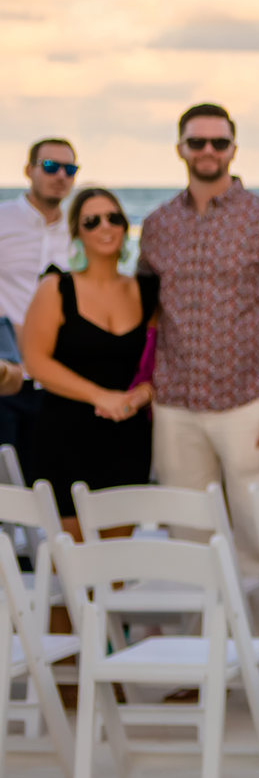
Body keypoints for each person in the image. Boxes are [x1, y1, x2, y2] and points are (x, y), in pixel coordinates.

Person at [136, 104, 259, 575]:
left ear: (234, 149)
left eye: (219, 142)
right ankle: (206, 649)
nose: (208, 151)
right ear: (180, 148)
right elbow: (146, 312)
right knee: (191, 547)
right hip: (176, 405)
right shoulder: (157, 225)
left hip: (250, 405)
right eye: (197, 142)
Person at [17, 186, 157, 536]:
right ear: (77, 232)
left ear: (126, 226)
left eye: (114, 217)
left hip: (128, 436)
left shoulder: (147, 292)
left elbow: (160, 362)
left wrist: (143, 395)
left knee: (116, 568)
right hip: (65, 436)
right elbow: (35, 361)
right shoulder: (56, 288)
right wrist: (100, 396)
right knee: (70, 568)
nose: (105, 227)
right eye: (92, 221)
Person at [0, 138, 79, 454]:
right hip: (7, 375)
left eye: (69, 168)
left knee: (46, 483)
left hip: (58, 380)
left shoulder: (81, 231)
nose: (60, 175)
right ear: (28, 170)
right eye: (50, 166)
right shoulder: (3, 219)